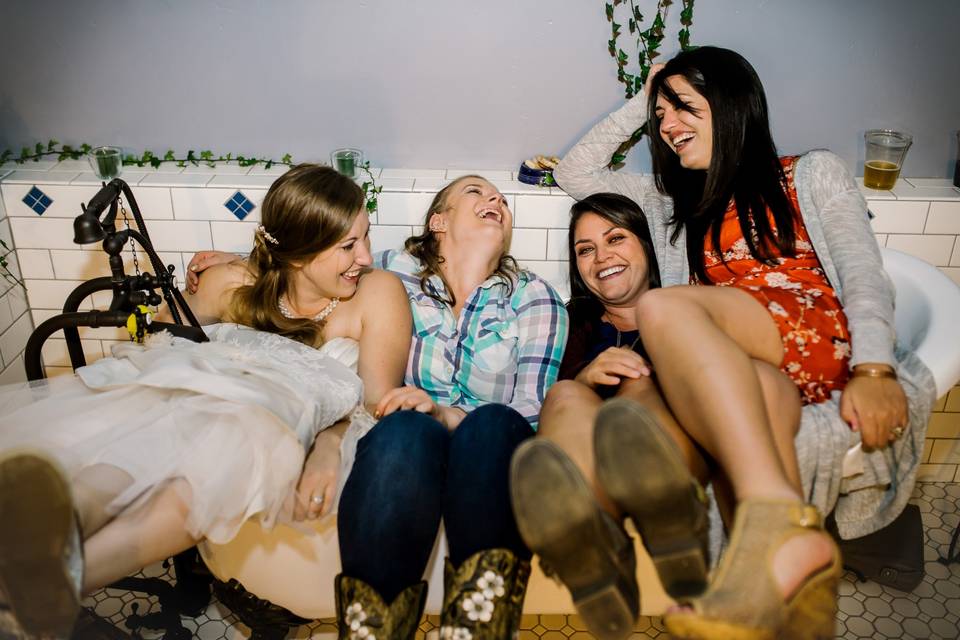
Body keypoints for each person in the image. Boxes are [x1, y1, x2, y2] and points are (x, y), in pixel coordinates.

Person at [514, 46, 935, 640]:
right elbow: (576, 173)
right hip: (743, 367)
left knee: (663, 308)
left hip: (809, 333)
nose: (666, 126)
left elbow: (865, 273)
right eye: (660, 117)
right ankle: (613, 549)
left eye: (683, 106)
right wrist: (648, 95)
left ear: (733, 103)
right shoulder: (673, 206)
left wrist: (874, 370)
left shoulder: (809, 172)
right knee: (608, 414)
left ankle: (774, 522)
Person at [0, 164, 412, 639]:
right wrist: (224, 271)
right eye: (348, 246)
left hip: (261, 430)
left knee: (216, 462)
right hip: (191, 402)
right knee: (127, 451)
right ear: (297, 255)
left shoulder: (378, 292)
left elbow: (377, 400)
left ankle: (55, 586)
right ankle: (29, 558)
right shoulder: (232, 283)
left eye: (365, 238)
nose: (364, 256)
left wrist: (325, 450)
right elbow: (161, 337)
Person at [186, 174, 569, 640]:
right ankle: (373, 631)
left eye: (502, 199)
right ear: (438, 222)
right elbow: (314, 259)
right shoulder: (393, 271)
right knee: (404, 427)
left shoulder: (537, 298)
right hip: (408, 439)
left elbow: (531, 414)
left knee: (492, 422)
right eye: (477, 191)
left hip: (489, 446)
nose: (496, 199)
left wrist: (448, 413)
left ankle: (476, 629)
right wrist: (235, 262)